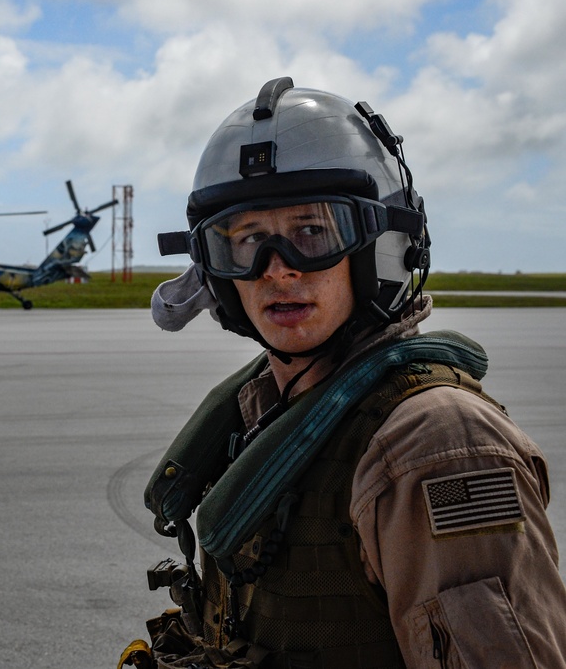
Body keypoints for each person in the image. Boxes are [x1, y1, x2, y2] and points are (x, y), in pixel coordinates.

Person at [120, 77, 566, 668]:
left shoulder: (437, 443)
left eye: (312, 232)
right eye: (246, 241)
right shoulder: (269, 407)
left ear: (378, 244)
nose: (276, 271)